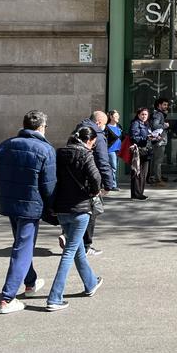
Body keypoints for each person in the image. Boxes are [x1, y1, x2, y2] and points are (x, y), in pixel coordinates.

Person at [0, 110, 56, 315]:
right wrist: (54, 208)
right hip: (30, 204)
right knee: (23, 246)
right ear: (42, 127)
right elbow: (48, 185)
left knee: (22, 244)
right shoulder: (45, 149)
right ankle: (7, 297)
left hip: (10, 200)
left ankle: (30, 282)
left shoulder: (6, 145)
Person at [46, 126, 104, 311]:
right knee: (70, 251)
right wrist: (95, 191)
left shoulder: (60, 153)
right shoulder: (86, 155)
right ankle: (54, 297)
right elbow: (96, 177)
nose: (93, 146)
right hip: (80, 208)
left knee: (77, 247)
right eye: (93, 143)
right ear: (88, 141)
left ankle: (90, 283)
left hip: (62, 208)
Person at [73, 111, 112, 256]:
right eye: (104, 125)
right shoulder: (97, 135)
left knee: (75, 209)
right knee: (91, 211)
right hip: (90, 180)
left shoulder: (76, 132)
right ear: (99, 123)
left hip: (73, 178)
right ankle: (86, 245)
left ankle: (68, 234)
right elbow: (102, 161)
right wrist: (108, 183)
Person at [129, 107, 152, 200]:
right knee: (138, 172)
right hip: (139, 150)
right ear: (138, 115)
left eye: (146, 114)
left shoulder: (146, 124)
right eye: (142, 114)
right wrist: (146, 138)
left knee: (143, 173)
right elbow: (134, 137)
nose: (144, 116)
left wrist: (154, 138)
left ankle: (139, 193)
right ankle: (136, 193)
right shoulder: (135, 123)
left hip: (146, 150)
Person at [148, 97, 171, 186]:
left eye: (167, 105)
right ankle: (157, 179)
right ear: (159, 105)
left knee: (155, 160)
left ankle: (154, 177)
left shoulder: (158, 114)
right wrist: (165, 125)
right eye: (164, 105)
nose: (166, 106)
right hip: (159, 141)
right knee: (158, 161)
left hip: (157, 140)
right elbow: (155, 125)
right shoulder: (158, 114)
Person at [105, 110, 123, 191]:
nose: (117, 118)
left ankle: (111, 183)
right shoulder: (107, 128)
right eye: (115, 116)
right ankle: (112, 185)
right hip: (110, 150)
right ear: (111, 117)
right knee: (113, 167)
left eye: (118, 116)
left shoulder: (119, 126)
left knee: (115, 167)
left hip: (118, 149)